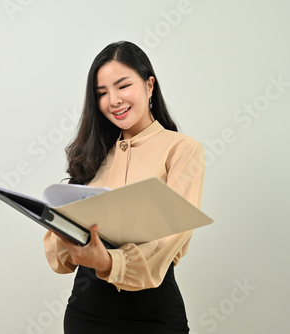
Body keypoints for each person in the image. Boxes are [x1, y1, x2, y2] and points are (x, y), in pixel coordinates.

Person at [43, 41, 205, 333]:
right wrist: (56, 223)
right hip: (85, 313)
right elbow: (62, 261)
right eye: (102, 93)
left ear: (149, 84)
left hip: (152, 314)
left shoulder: (182, 149)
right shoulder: (93, 152)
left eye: (122, 86)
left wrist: (108, 262)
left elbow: (170, 239)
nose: (113, 100)